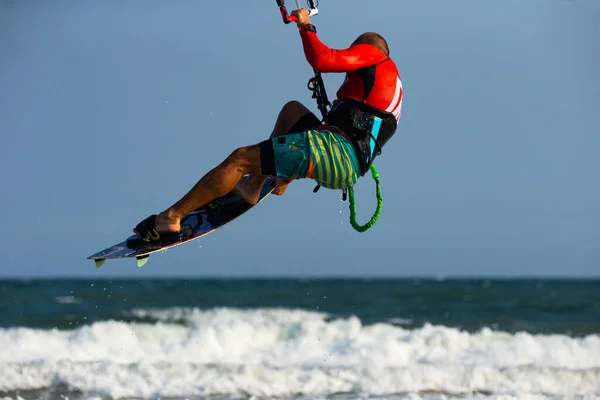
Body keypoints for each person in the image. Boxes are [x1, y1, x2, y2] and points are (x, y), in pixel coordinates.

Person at [132, 8, 403, 244]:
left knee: (239, 159)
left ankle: (171, 218)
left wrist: (305, 24)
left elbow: (323, 59)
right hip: (345, 165)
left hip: (333, 152)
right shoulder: (388, 89)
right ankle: (261, 184)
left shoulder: (374, 54)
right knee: (292, 111)